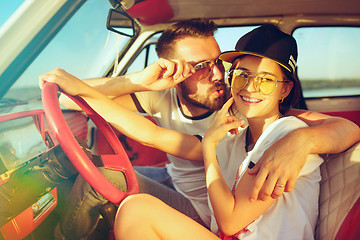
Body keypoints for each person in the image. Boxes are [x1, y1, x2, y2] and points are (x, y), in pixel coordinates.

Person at [41, 19, 360, 239]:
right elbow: (150, 133)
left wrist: (301, 140)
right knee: (105, 174)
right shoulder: (234, 128)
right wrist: (128, 81)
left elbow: (346, 129)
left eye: (218, 63)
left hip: (213, 213)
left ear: (284, 88)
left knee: (118, 189)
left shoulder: (271, 126)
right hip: (204, 200)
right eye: (240, 75)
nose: (219, 76)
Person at [112, 24, 323, 239]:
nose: (250, 88)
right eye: (242, 76)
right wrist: (80, 90)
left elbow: (229, 223)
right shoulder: (236, 138)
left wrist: (209, 148)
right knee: (133, 206)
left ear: (285, 89)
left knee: (136, 209)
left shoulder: (288, 134)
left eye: (266, 80)